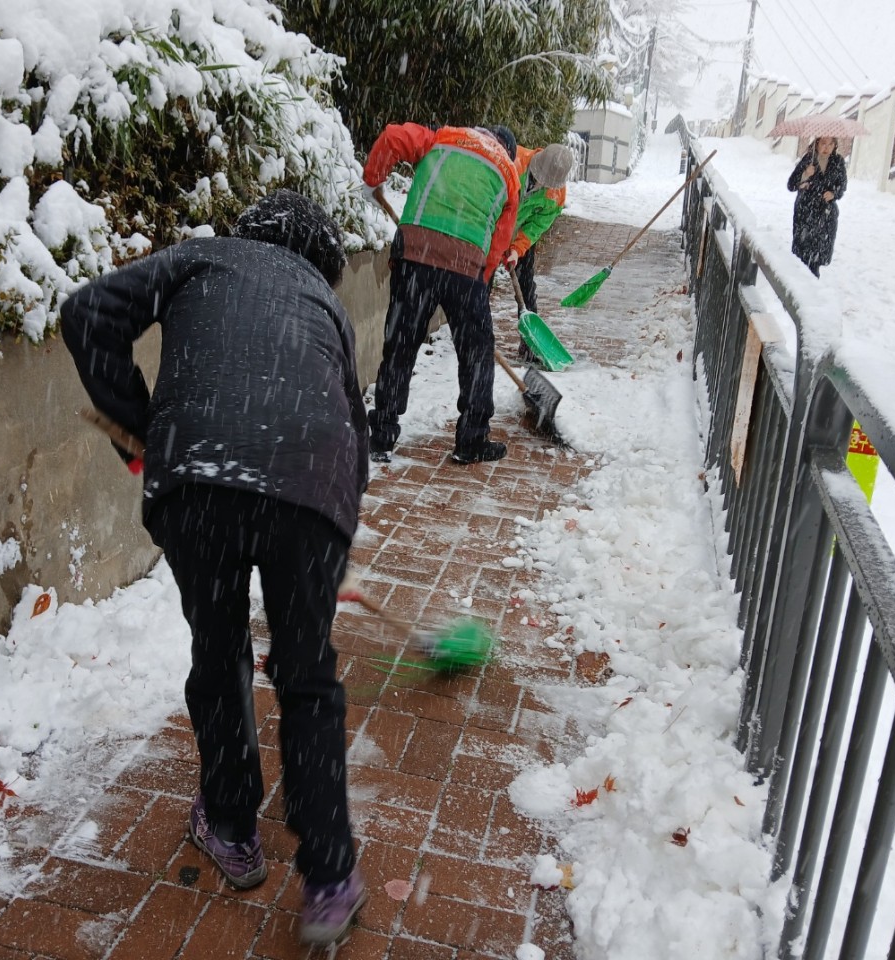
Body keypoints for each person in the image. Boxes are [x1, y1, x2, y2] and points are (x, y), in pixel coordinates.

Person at [59, 190, 369, 946]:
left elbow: (86, 313)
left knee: (220, 646)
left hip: (196, 476)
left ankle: (231, 828)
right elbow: (354, 434)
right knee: (306, 677)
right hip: (309, 486)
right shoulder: (326, 309)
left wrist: (140, 429)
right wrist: (327, 536)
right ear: (321, 263)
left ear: (250, 233)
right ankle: (329, 874)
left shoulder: (203, 256)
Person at [362, 122, 521, 465]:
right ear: (507, 150)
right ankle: (471, 439)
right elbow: (498, 245)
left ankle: (381, 435)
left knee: (400, 345)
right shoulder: (509, 174)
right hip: (467, 265)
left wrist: (374, 178)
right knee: (477, 354)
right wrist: (480, 285)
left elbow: (392, 137)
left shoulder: (443, 137)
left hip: (415, 252)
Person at [503, 143, 573, 363]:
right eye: (541, 177)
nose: (543, 184)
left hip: (519, 235)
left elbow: (535, 226)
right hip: (491, 228)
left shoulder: (555, 195)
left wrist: (517, 249)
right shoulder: (512, 164)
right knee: (479, 285)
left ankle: (529, 345)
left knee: (526, 287)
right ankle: (476, 337)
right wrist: (498, 236)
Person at [787, 136, 847, 277]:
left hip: (825, 214)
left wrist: (833, 194)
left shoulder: (838, 162)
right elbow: (791, 184)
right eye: (823, 143)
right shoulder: (809, 159)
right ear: (817, 143)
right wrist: (805, 175)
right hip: (806, 212)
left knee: (817, 257)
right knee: (802, 254)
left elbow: (842, 186)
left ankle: (812, 286)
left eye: (831, 144)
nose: (827, 147)